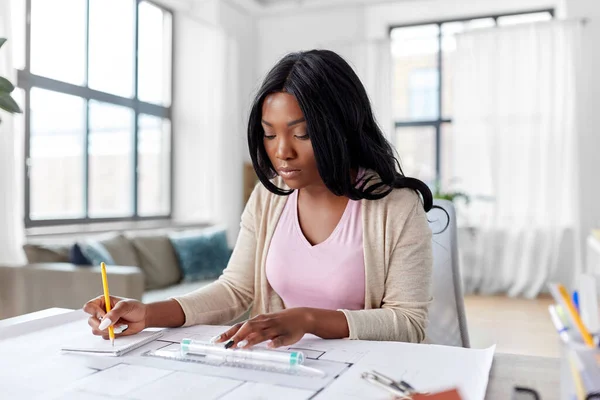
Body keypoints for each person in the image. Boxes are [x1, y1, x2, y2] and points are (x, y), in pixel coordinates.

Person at [84, 49, 434, 349]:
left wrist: (308, 319)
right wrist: (148, 313)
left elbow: (407, 323)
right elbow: (235, 289)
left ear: (341, 129)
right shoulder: (269, 197)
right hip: (288, 367)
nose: (282, 152)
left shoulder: (397, 207)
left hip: (368, 373)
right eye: (269, 134)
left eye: (302, 134)